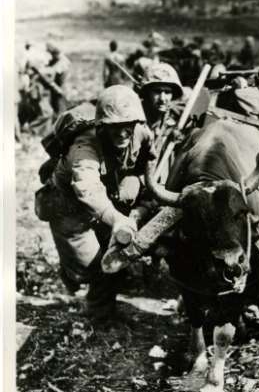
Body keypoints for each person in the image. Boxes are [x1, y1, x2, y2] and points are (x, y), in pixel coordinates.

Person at [38, 85, 155, 320]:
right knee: (91, 267)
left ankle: (100, 313)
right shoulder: (84, 146)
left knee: (113, 260)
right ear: (102, 125)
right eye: (114, 126)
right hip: (68, 207)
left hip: (106, 198)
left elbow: (150, 164)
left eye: (128, 125)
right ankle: (72, 272)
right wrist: (118, 219)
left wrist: (142, 198)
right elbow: (88, 188)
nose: (122, 133)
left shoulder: (142, 133)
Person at [138, 62, 184, 161]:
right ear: (147, 93)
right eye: (157, 91)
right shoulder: (136, 117)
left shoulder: (175, 116)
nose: (162, 98)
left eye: (167, 92)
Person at [44, 42, 71, 115]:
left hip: (60, 90)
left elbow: (52, 76)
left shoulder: (62, 63)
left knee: (60, 111)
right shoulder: (57, 61)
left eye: (51, 54)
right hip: (57, 90)